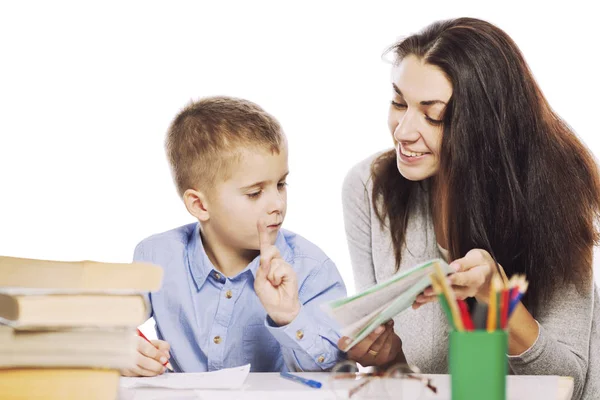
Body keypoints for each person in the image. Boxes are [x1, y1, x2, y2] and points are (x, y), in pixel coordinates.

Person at [338, 17, 600, 400]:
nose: (403, 131)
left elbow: (569, 384)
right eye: (399, 102)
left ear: (486, 124)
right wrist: (386, 356)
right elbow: (405, 377)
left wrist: (499, 300)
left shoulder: (558, 191)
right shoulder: (368, 188)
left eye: (433, 115)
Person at [121, 96, 346, 376]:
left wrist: (290, 317)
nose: (277, 203)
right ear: (200, 205)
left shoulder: (311, 268)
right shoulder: (155, 257)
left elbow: (339, 375)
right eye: (255, 193)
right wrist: (117, 349)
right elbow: (97, 326)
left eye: (281, 184)